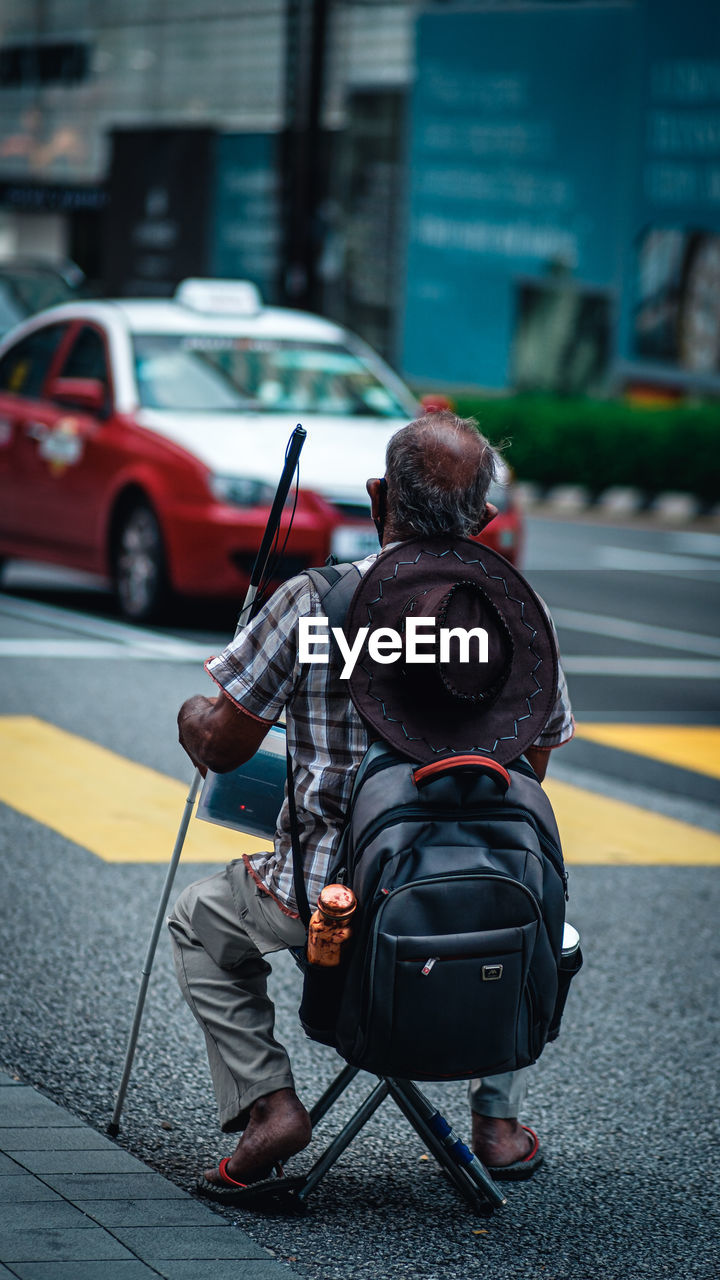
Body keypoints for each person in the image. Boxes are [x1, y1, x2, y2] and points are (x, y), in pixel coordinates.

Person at [168, 411, 574, 1196]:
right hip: (476, 890)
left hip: (332, 900)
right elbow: (534, 767)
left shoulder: (312, 601)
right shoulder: (523, 618)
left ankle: (269, 1107)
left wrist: (195, 713)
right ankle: (495, 1122)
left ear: (377, 496)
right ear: (485, 519)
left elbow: (220, 746)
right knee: (540, 923)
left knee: (198, 921)